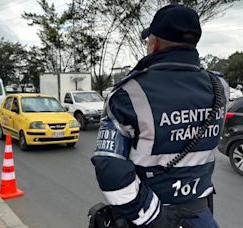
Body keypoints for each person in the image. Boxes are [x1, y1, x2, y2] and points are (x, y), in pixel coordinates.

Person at [91, 4, 229, 228]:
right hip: (201, 214)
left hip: (150, 216)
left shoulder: (128, 93)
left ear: (154, 43)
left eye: (148, 40)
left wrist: (152, 216)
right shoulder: (220, 86)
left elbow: (110, 169)